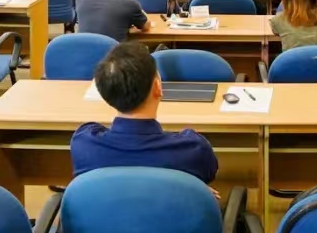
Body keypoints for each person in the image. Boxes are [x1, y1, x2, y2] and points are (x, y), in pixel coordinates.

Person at [70, 42, 218, 184]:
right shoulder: (193, 149)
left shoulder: (83, 143)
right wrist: (194, 188)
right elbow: (206, 175)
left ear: (103, 93)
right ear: (157, 87)